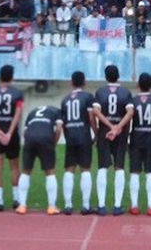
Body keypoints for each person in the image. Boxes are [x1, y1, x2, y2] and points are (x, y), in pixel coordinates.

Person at [92, 65, 134, 216]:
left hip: (104, 131)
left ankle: (102, 206)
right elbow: (130, 112)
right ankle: (117, 206)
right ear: (119, 76)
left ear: (105, 77)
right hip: (121, 133)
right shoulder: (125, 92)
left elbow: (96, 111)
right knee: (119, 167)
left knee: (102, 167)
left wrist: (110, 126)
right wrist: (117, 127)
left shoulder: (100, 91)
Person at [15, 104, 63, 215]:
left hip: (30, 138)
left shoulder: (32, 111)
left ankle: (22, 205)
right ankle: (51, 207)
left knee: (26, 171)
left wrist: (28, 143)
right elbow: (59, 129)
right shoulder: (57, 111)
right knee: (50, 172)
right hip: (46, 138)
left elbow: (24, 133)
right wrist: (53, 144)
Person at [0, 65, 24, 211]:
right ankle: (16, 198)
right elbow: (18, 113)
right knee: (14, 166)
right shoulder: (17, 93)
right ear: (12, 77)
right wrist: (9, 132)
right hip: (11, 132)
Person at [60, 71, 96, 215]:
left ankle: (68, 205)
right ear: (84, 82)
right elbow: (91, 118)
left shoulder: (65, 99)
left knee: (69, 169)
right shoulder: (88, 97)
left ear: (71, 82)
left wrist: (67, 135)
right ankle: (86, 206)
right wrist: (97, 133)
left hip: (70, 135)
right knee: (85, 169)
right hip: (83, 135)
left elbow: (62, 122)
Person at [129, 73, 151, 216]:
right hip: (150, 137)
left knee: (135, 172)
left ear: (138, 85)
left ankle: (134, 206)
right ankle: (150, 206)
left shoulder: (133, 100)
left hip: (136, 137)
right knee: (150, 172)